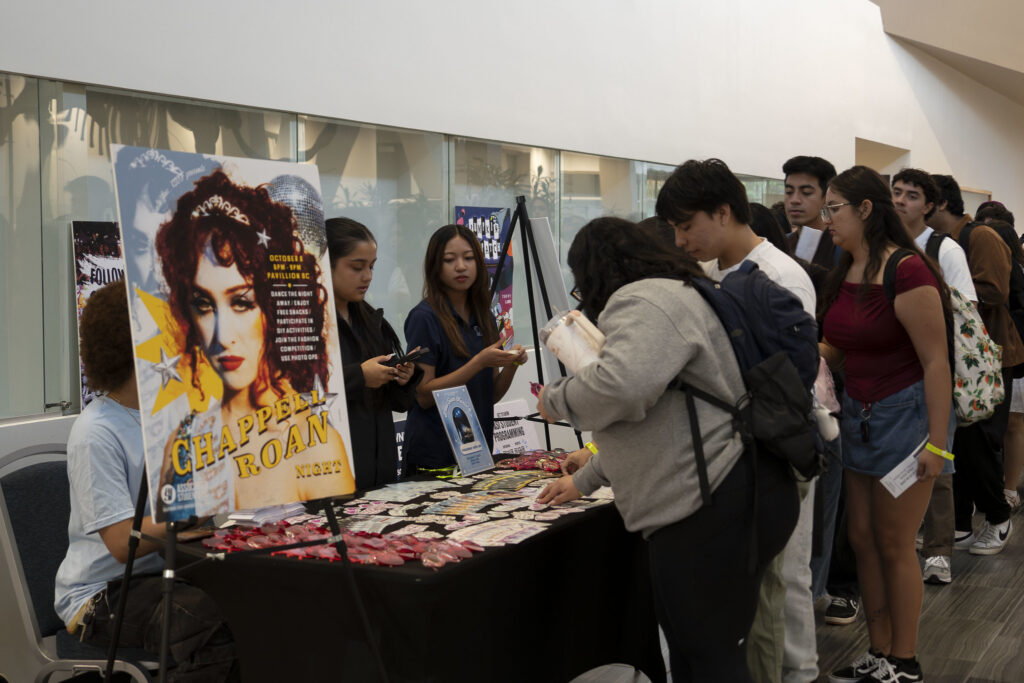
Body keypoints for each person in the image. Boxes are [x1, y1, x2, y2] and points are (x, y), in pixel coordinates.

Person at [536, 217, 798, 683]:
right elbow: (651, 421)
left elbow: (623, 390)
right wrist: (586, 479)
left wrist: (555, 399)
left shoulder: (644, 301)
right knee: (699, 651)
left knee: (708, 655)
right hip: (724, 494)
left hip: (708, 506)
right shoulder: (676, 292)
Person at [657, 158, 817, 683]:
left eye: (687, 226)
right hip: (728, 461)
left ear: (723, 211)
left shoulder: (777, 275)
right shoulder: (707, 274)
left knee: (776, 584)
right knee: (745, 596)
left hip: (769, 454)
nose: (681, 241)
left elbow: (792, 381)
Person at [55, 281, 237, 681]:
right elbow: (122, 543)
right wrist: (201, 507)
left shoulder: (175, 414)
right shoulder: (96, 433)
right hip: (101, 595)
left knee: (258, 597)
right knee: (201, 621)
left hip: (162, 569)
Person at [819, 165, 952, 683]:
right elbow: (842, 345)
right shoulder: (845, 265)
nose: (827, 218)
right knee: (862, 538)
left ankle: (905, 660)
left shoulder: (908, 270)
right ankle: (878, 651)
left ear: (865, 210)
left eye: (834, 208)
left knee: (896, 544)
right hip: (859, 416)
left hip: (906, 419)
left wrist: (937, 447)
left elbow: (936, 362)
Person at [155, 169, 354, 511]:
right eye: (203, 304)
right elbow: (179, 541)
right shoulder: (187, 442)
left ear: (275, 307)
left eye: (242, 302)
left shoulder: (315, 439)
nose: (222, 336)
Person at [891, 168, 974, 586]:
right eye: (897, 193)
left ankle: (938, 550)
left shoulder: (945, 250)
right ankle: (899, 544)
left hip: (934, 368)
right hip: (889, 373)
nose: (901, 200)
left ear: (930, 205)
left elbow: (966, 311)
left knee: (940, 459)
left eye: (911, 195)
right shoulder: (879, 247)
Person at [402, 224, 526, 474]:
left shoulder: (485, 316)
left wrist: (512, 364)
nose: (461, 266)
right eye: (450, 260)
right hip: (434, 457)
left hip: (476, 454)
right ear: (435, 266)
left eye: (469, 258)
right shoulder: (424, 317)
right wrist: (478, 362)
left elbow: (490, 395)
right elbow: (423, 396)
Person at [326, 217, 422, 489]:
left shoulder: (371, 320)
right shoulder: (304, 327)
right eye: (356, 267)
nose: (367, 276)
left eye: (371, 266)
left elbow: (398, 403)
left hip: (381, 475)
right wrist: (360, 376)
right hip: (332, 478)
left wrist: (402, 378)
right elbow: (297, 395)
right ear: (324, 263)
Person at [783, 155, 839, 270]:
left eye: (806, 192)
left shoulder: (842, 247)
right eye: (789, 192)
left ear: (827, 197)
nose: (794, 200)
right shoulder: (781, 244)